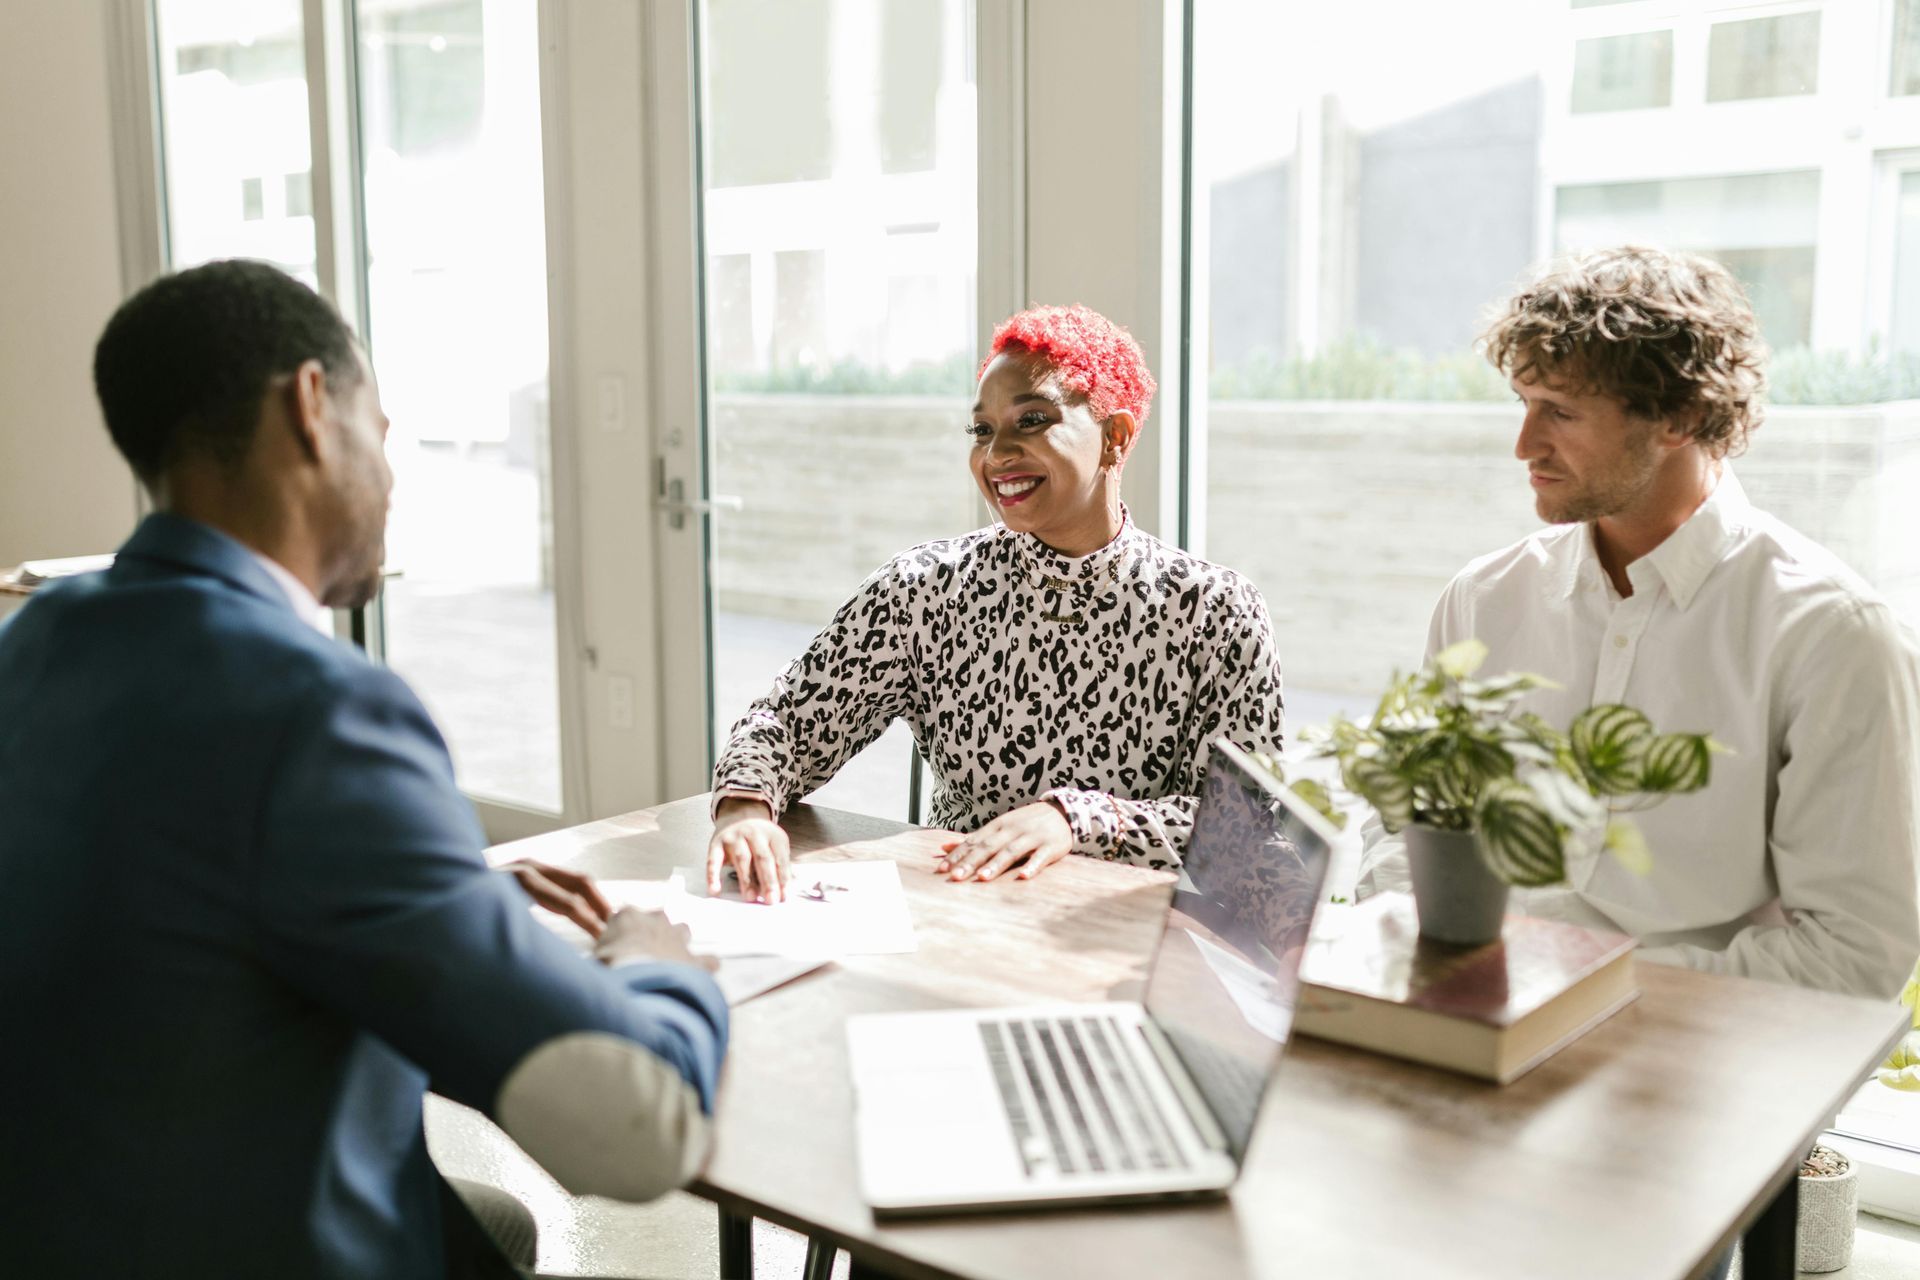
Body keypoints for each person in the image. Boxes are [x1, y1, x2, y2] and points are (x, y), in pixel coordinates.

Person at [0, 260, 728, 1278]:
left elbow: (166, 884)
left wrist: (428, 891)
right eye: (382, 432)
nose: (390, 477)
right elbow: (635, 1123)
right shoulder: (315, 707)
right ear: (310, 407)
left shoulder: (34, 641)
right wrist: (657, 963)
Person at [1358, 246, 1920, 1001]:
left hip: (1695, 1073)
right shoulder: (1484, 599)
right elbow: (1400, 831)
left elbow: (1855, 957)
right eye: (1523, 404)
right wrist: (1432, 959)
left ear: (1679, 418)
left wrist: (1574, 988)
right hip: (1464, 1028)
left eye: (1559, 411)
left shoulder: (1829, 635)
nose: (1523, 446)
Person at [707, 303, 1285, 901]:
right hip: (957, 919)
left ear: (1115, 438)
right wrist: (746, 806)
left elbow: (1244, 834)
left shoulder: (1216, 610)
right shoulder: (924, 589)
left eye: (1031, 421)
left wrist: (1075, 818)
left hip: (1118, 945)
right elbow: (787, 722)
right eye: (982, 430)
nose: (996, 454)